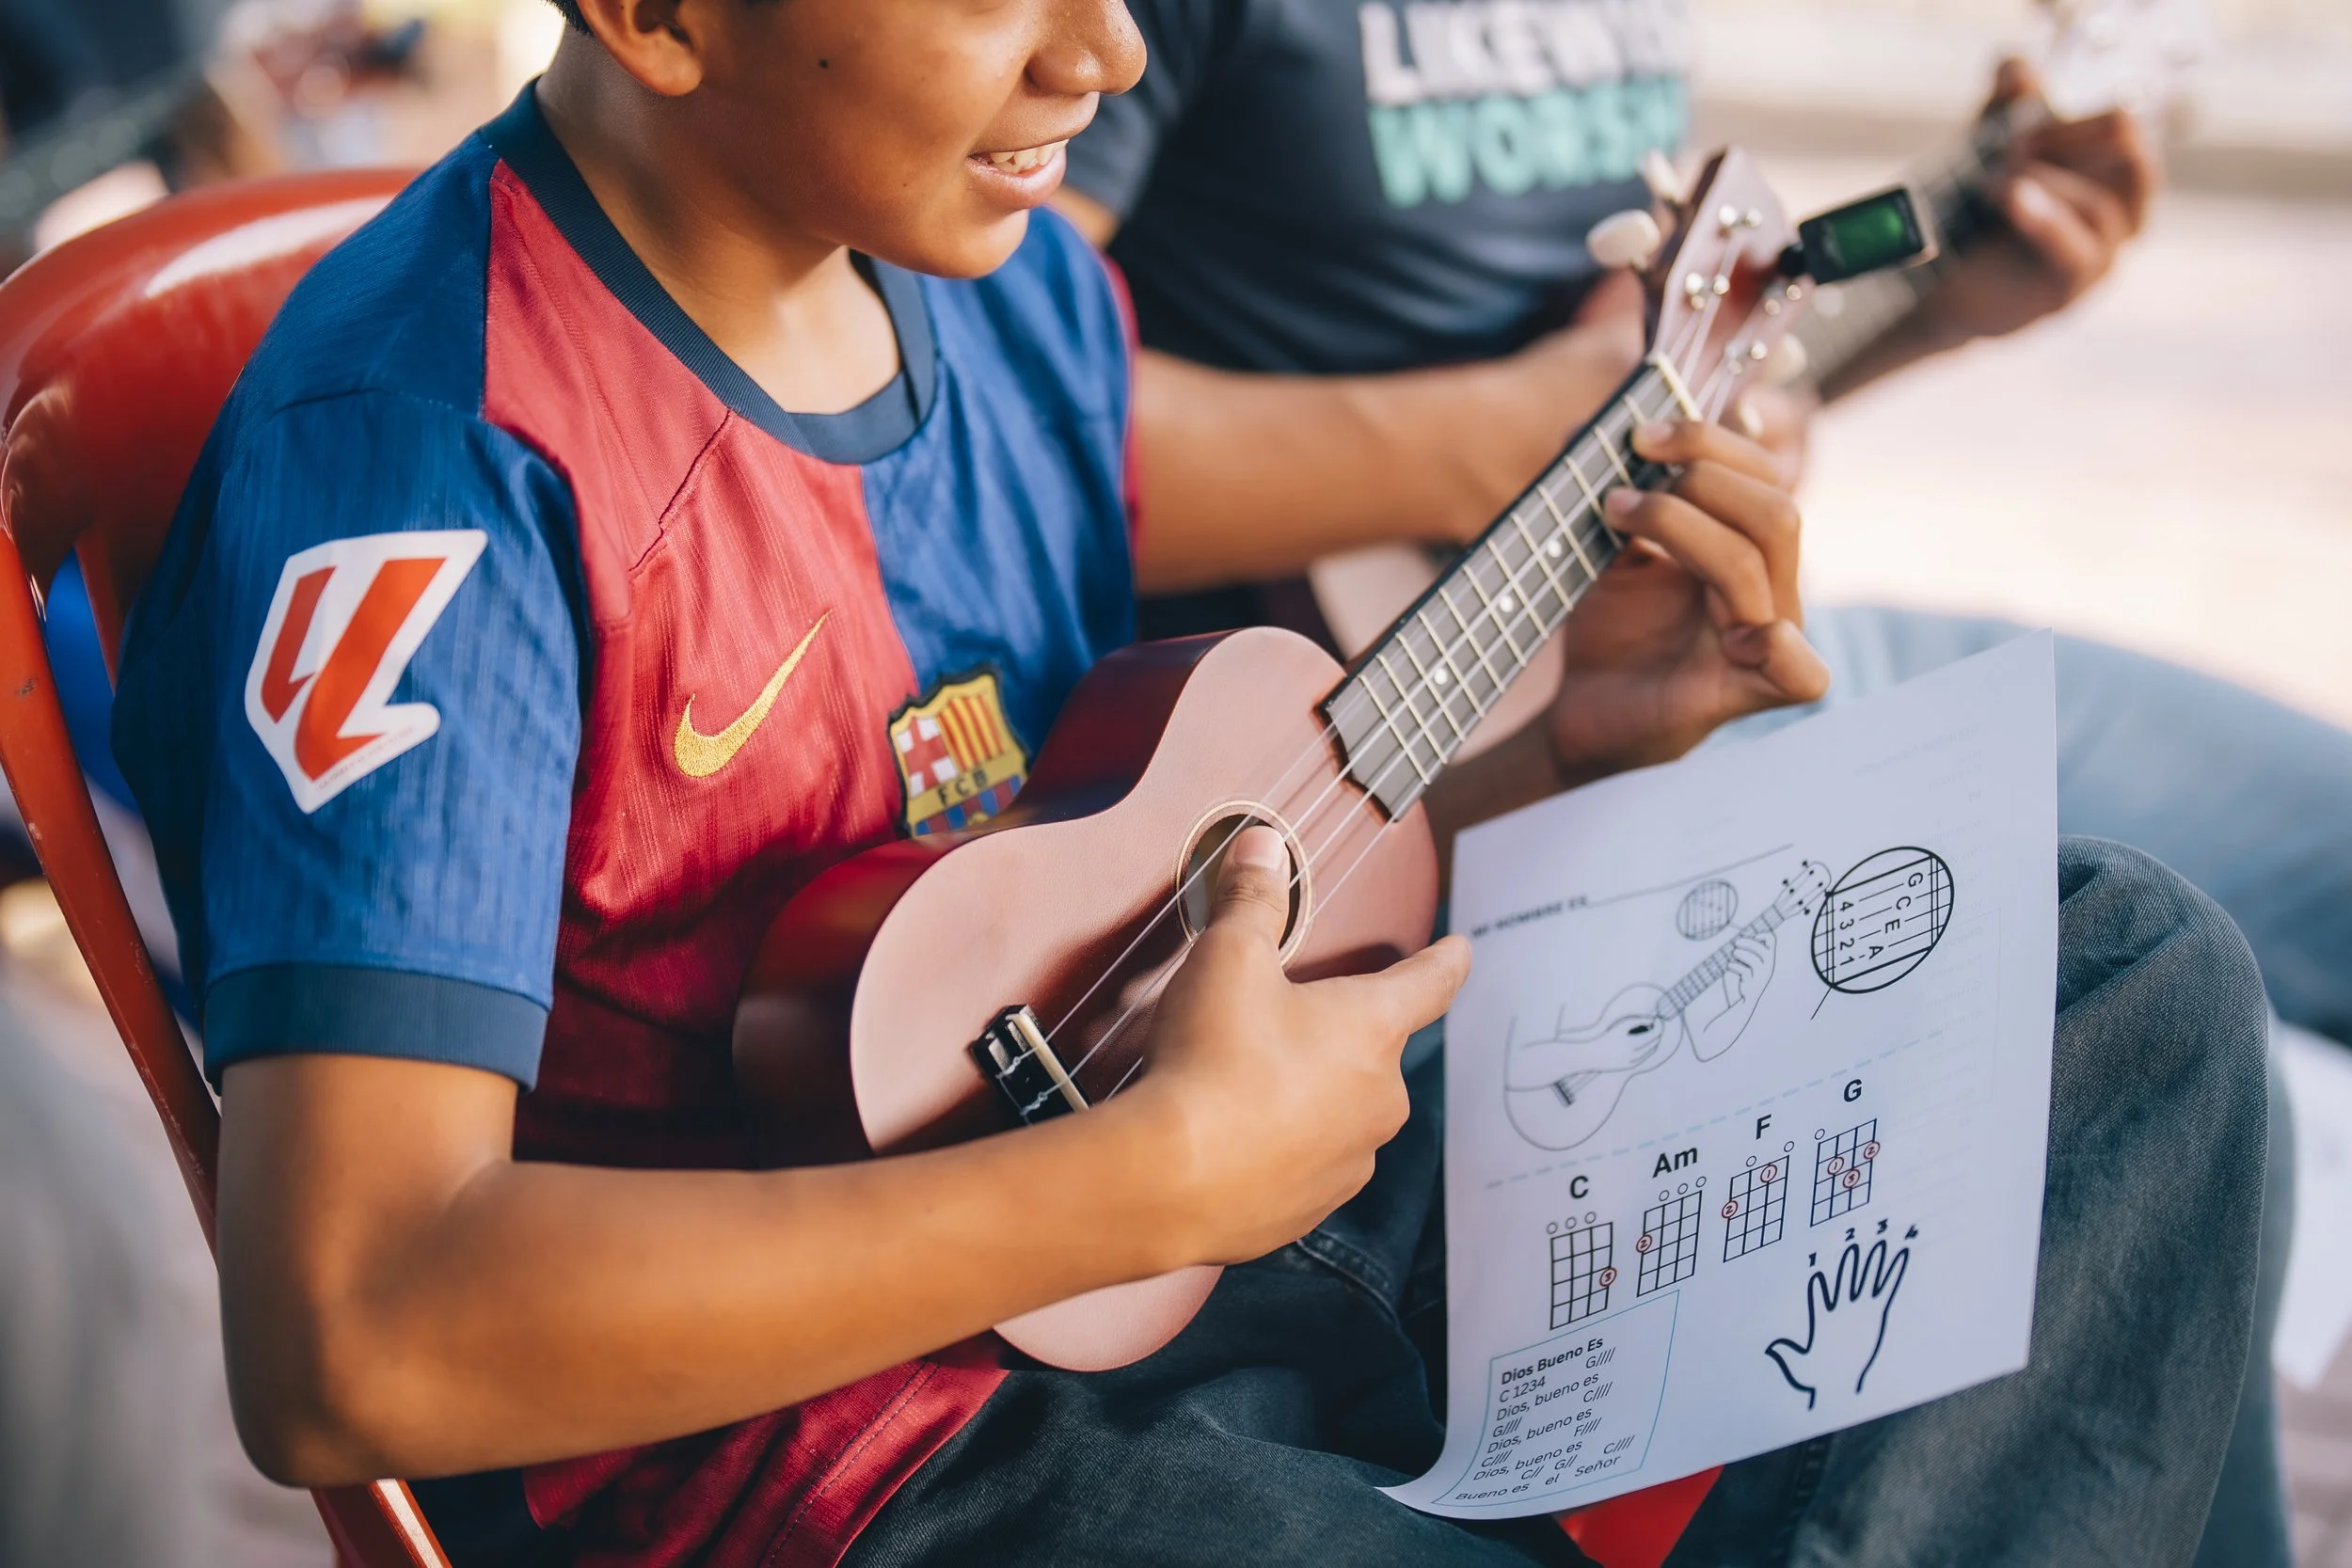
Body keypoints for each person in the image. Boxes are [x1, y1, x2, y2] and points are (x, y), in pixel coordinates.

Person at [107, 1, 2276, 1563]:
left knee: (2104, 977)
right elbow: (354, 1334)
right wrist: (1133, 1192)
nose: (1108, 54)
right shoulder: (435, 462)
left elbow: (1136, 918)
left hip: (1202, 1216)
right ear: (659, 15)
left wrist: (1565, 754)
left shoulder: (1005, 285)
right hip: (860, 1461)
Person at [1050, 4, 2352, 1054]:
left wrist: (1941, 298)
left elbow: (1653, 370)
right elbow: (987, 422)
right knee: (2167, 1035)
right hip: (1386, 771)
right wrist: (1494, 440)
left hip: (1674, 663)